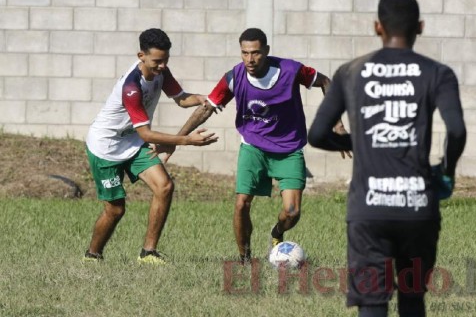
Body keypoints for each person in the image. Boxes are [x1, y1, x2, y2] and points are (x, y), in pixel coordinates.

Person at [308, 0, 467, 317]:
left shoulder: (351, 72)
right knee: (412, 300)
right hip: (418, 208)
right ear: (420, 27)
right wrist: (447, 171)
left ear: (377, 27)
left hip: (368, 210)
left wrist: (355, 142)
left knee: (371, 303)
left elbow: (318, 134)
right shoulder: (438, 73)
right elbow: (456, 130)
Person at [175, 28, 348, 264]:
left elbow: (326, 81)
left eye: (255, 53)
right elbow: (206, 107)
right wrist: (179, 139)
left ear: (266, 50)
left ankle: (277, 234)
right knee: (241, 204)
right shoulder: (234, 77)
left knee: (292, 212)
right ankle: (245, 258)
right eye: (245, 53)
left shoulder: (291, 70)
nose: (250, 59)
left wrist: (337, 125)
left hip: (288, 150)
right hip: (253, 147)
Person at [84, 28, 218, 264]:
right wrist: (186, 140)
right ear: (141, 56)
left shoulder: (161, 71)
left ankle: (148, 253)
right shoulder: (131, 87)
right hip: (106, 147)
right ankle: (92, 255)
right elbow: (146, 133)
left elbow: (181, 98)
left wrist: (201, 98)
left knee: (164, 187)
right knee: (115, 210)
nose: (162, 66)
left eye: (166, 60)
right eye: (157, 61)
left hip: (132, 142)